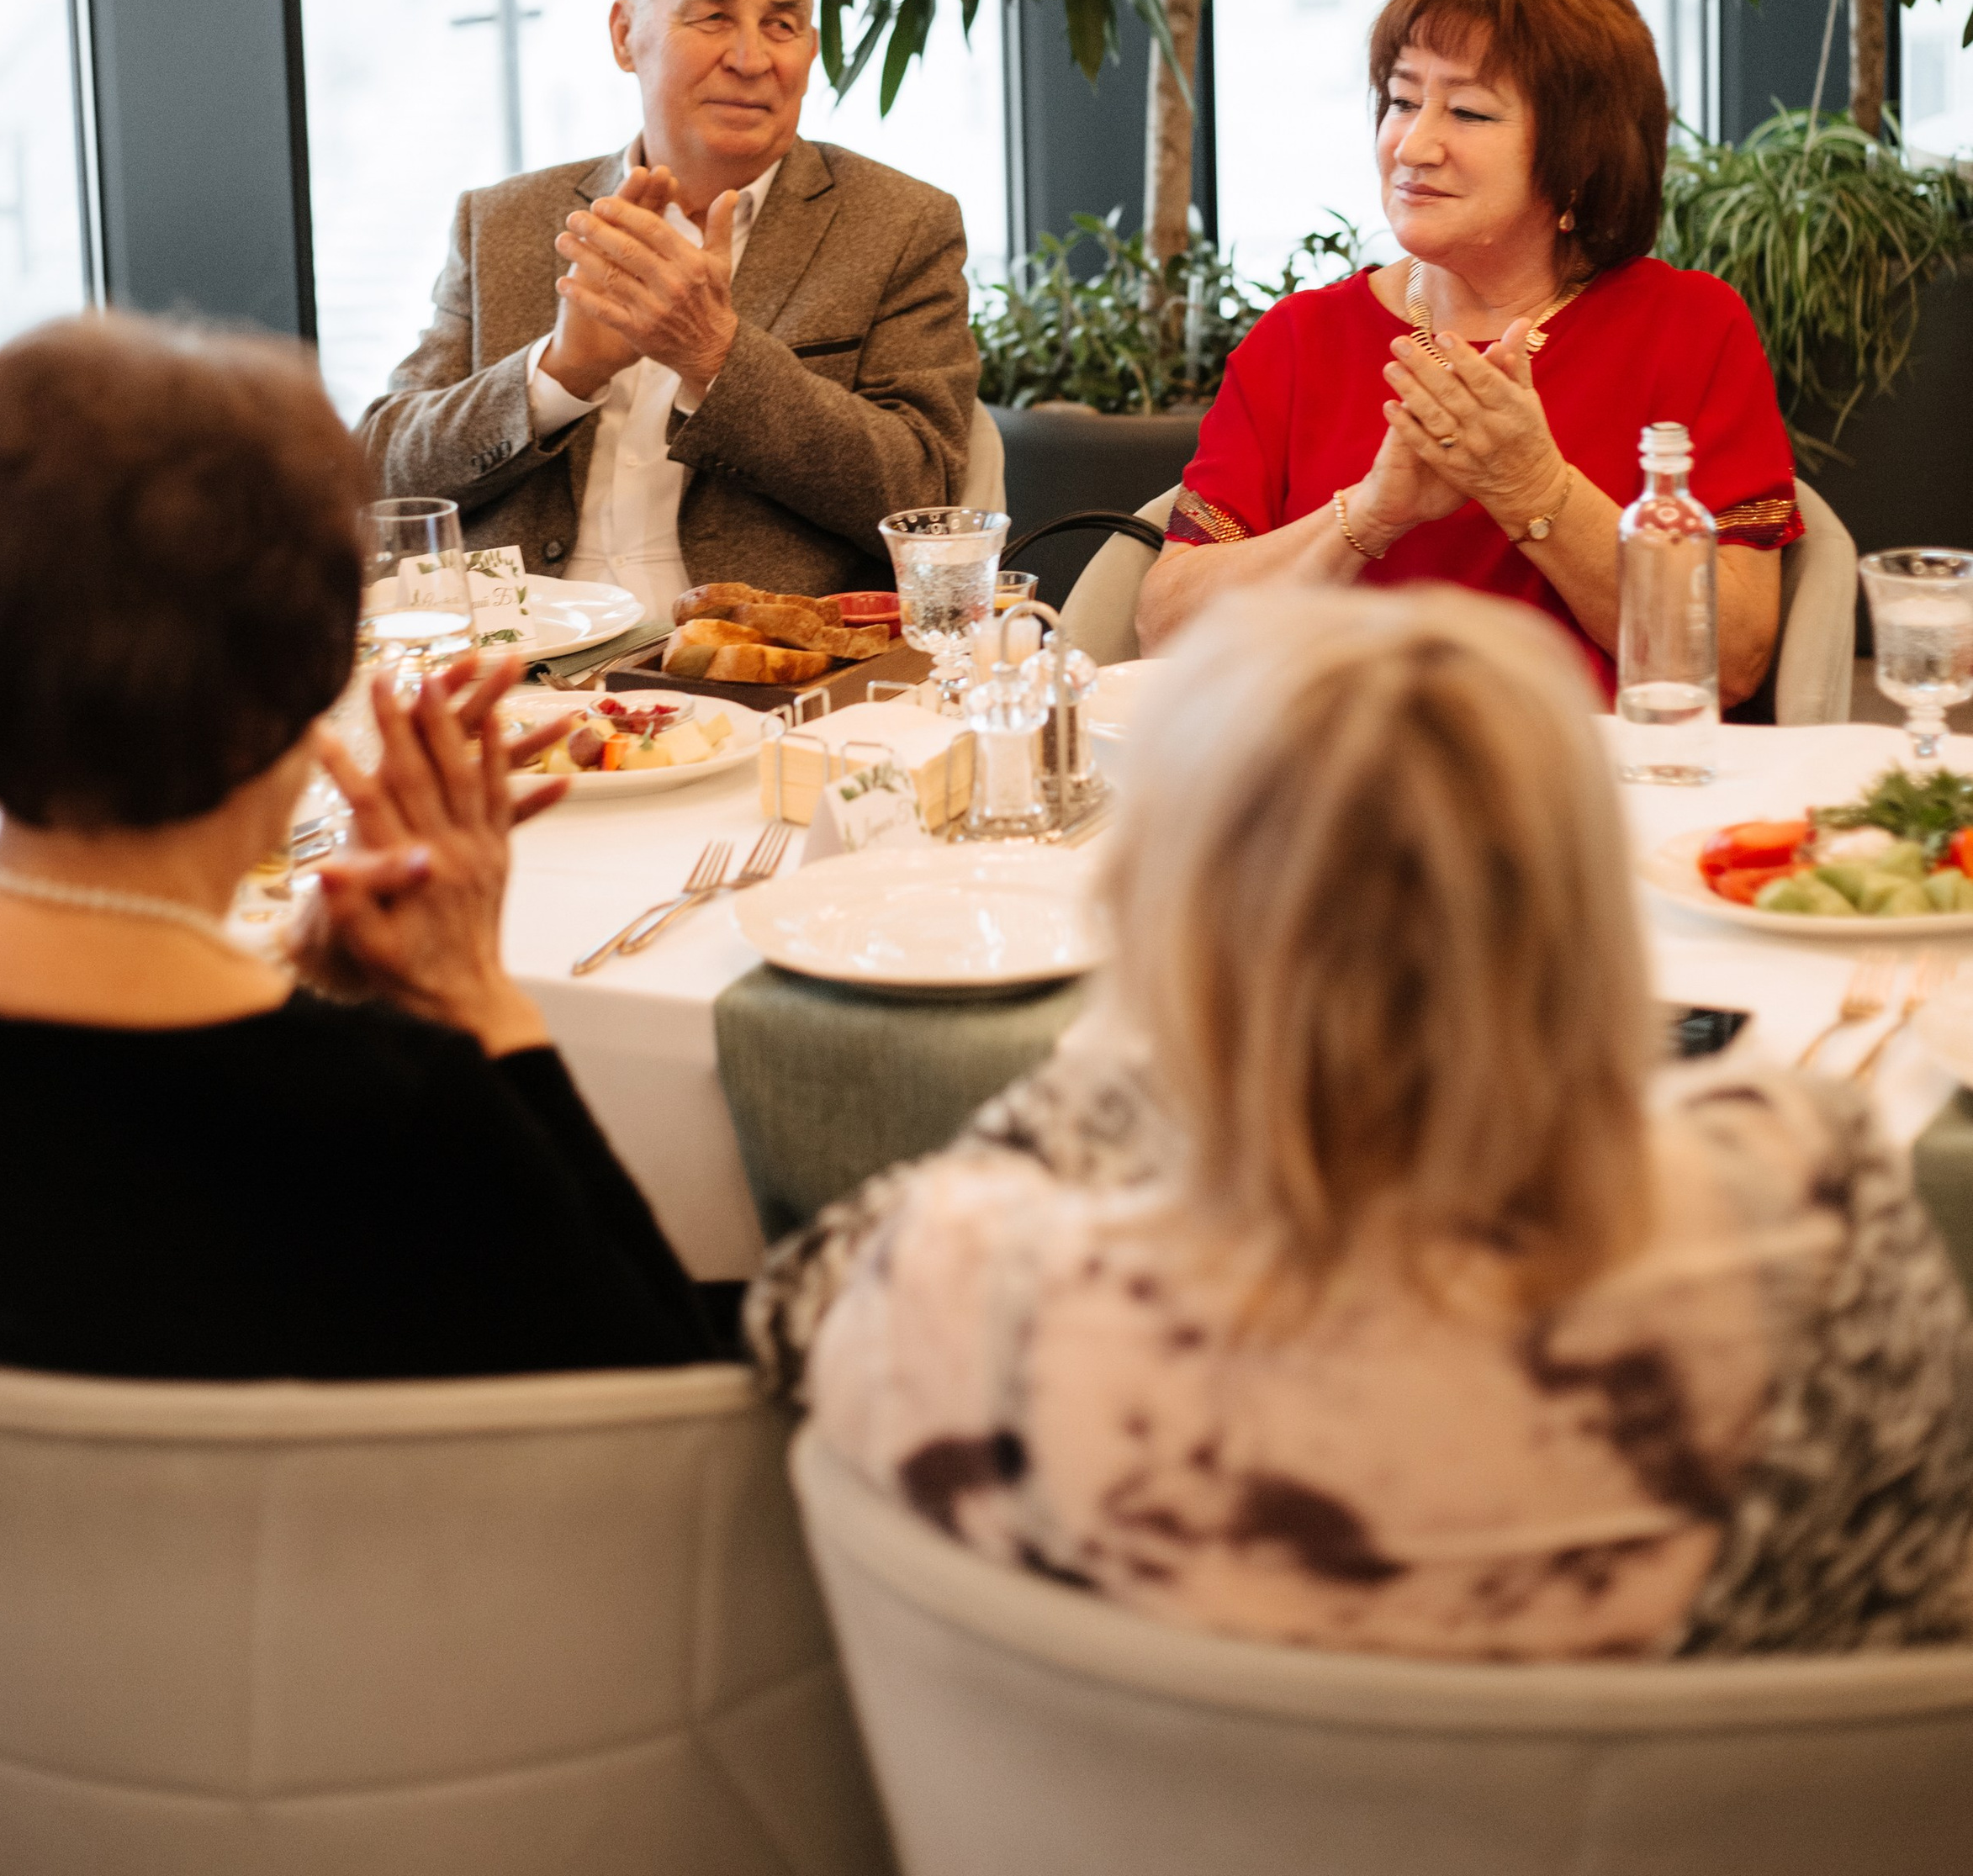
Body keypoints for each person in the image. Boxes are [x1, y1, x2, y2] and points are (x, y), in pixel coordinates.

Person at [784, 589, 1973, 1660]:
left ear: (1165, 932)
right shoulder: (1811, 1202)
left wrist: (1134, 1070)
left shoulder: (979, 1287)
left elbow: (802, 1302)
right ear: (1588, 917)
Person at [0, 314, 720, 1382]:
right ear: (305, 672)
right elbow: (664, 1412)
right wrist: (481, 1003)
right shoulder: (390, 1119)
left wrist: (293, 970)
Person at [1138, 0, 1797, 703]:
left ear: (1581, 155)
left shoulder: (1687, 327)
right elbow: (1166, 630)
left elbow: (1732, 659)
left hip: (1590, 796)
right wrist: (1369, 514)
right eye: (1403, 100)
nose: (1414, 145)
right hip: (1322, 786)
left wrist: (1534, 487)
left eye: (1470, 112)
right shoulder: (1298, 341)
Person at [362, 0, 979, 617]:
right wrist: (558, 377)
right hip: (519, 671)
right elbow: (381, 477)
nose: (750, 59)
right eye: (712, 17)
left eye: (781, 25)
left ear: (809, 53)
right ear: (627, 35)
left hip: (766, 680)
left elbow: (925, 499)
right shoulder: (503, 223)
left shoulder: (900, 223)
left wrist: (717, 356)